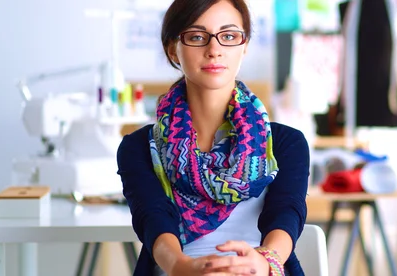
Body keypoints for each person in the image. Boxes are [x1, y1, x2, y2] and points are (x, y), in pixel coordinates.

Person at [116, 0, 310, 275]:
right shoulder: (138, 147)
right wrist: (182, 267)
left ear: (244, 47)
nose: (214, 50)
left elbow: (286, 212)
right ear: (173, 49)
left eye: (229, 36)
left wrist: (265, 260)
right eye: (197, 37)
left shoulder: (285, 142)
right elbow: (153, 218)